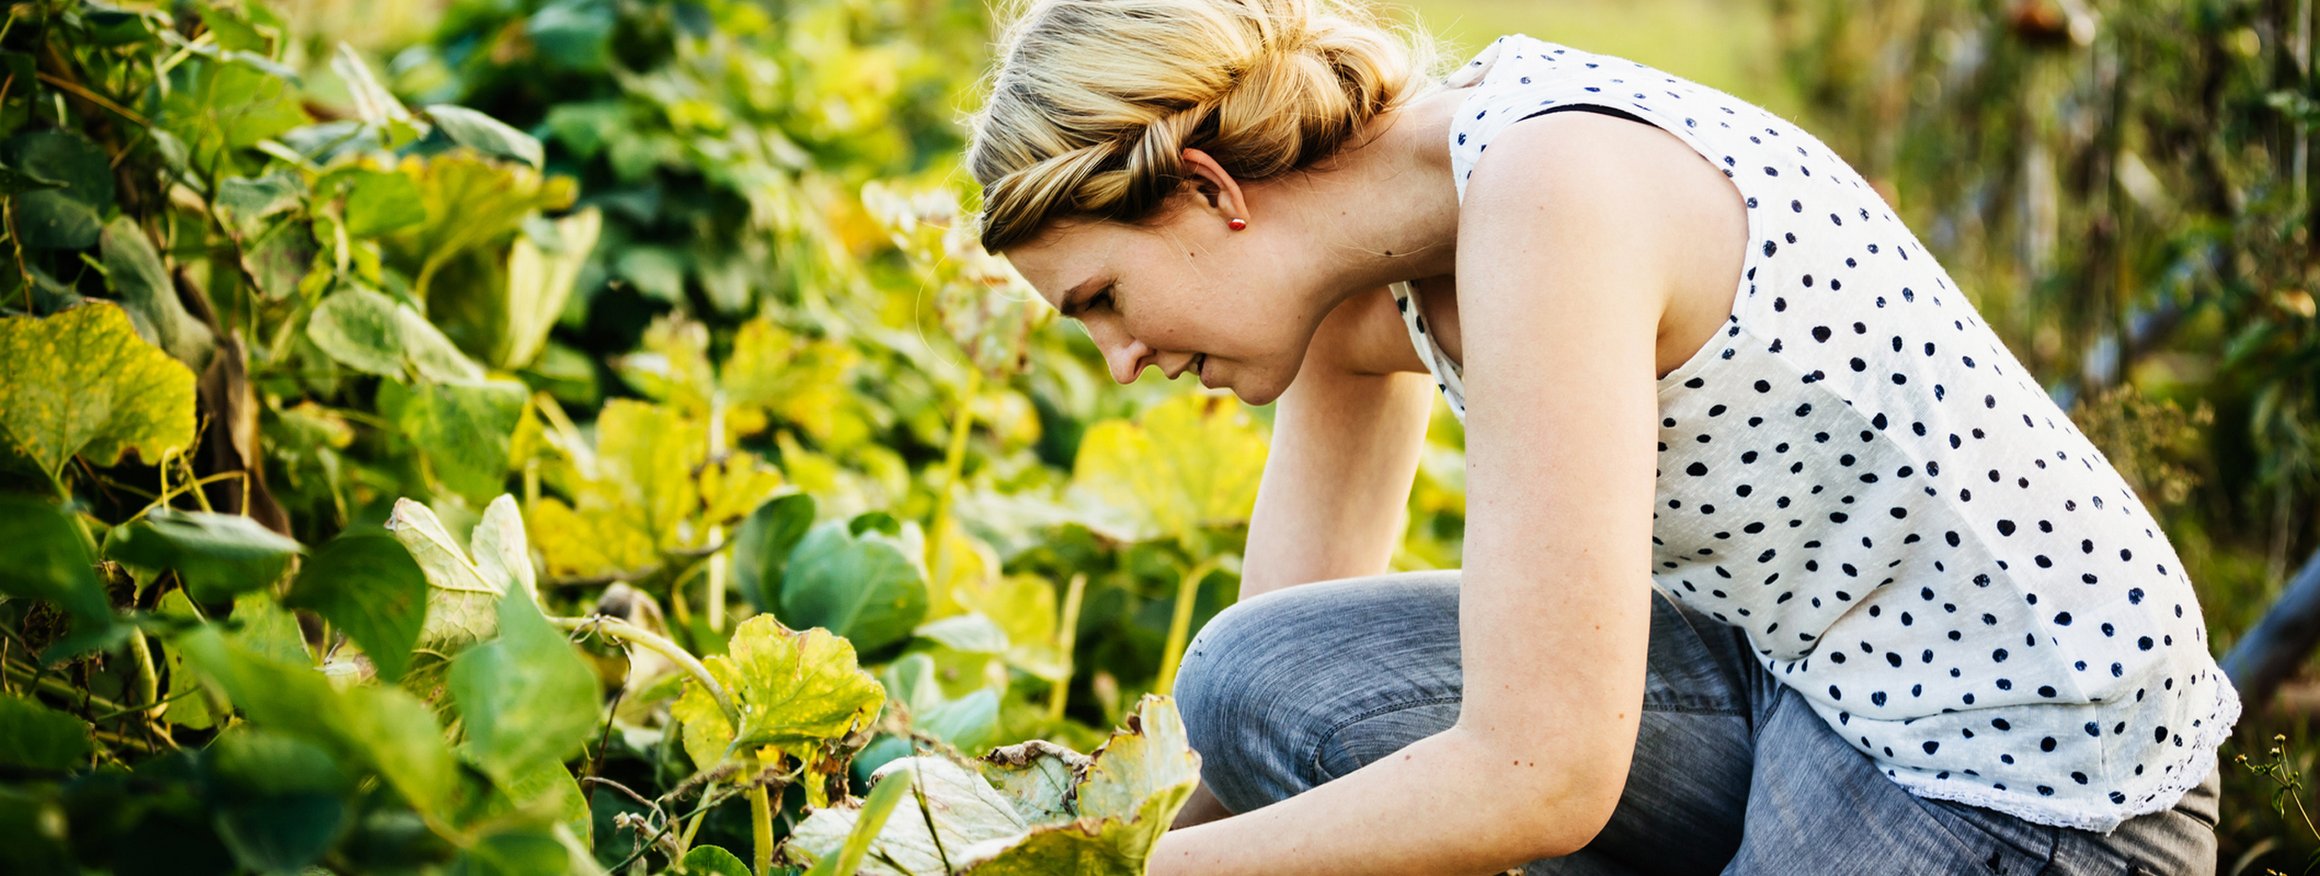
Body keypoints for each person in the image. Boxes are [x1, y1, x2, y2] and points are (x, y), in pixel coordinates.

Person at [963, 0, 2242, 871]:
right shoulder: (1372, 261)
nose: (1121, 363)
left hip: (2025, 769)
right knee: (1245, 675)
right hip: (1802, 676)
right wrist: (1096, 840)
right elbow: (1254, 732)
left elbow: (1539, 773)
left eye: (1104, 301)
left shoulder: (1552, 192)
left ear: (1207, 192)